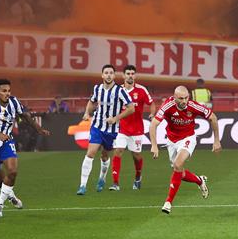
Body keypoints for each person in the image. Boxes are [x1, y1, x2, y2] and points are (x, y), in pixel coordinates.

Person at [0, 78, 51, 218]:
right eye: (4, 91)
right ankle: (11, 196)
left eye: (9, 90)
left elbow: (25, 116)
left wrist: (39, 129)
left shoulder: (14, 102)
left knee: (12, 172)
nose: (7, 93)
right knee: (0, 177)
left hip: (6, 142)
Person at [150, 85, 221, 214]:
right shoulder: (167, 106)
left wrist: (216, 140)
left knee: (177, 164)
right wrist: (154, 145)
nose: (184, 101)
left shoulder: (193, 106)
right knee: (179, 172)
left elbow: (213, 118)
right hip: (171, 141)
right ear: (174, 97)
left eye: (186, 98)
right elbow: (153, 124)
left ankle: (168, 202)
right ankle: (199, 180)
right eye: (181, 98)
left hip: (188, 138)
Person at [77, 64, 135, 195]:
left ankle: (102, 178)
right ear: (102, 75)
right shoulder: (97, 88)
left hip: (112, 130)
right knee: (90, 153)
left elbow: (131, 108)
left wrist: (115, 118)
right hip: (97, 126)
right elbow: (92, 101)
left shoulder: (120, 91)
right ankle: (82, 185)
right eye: (106, 73)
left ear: (114, 75)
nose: (108, 75)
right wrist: (87, 112)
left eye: (111, 73)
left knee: (104, 156)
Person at [110, 65, 154, 191]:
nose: (130, 76)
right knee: (118, 151)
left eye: (132, 73)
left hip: (137, 129)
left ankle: (138, 177)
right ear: (123, 75)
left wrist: (152, 114)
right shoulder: (117, 90)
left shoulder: (141, 90)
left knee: (136, 155)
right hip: (121, 128)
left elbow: (151, 103)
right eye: (128, 73)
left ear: (135, 76)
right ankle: (115, 183)